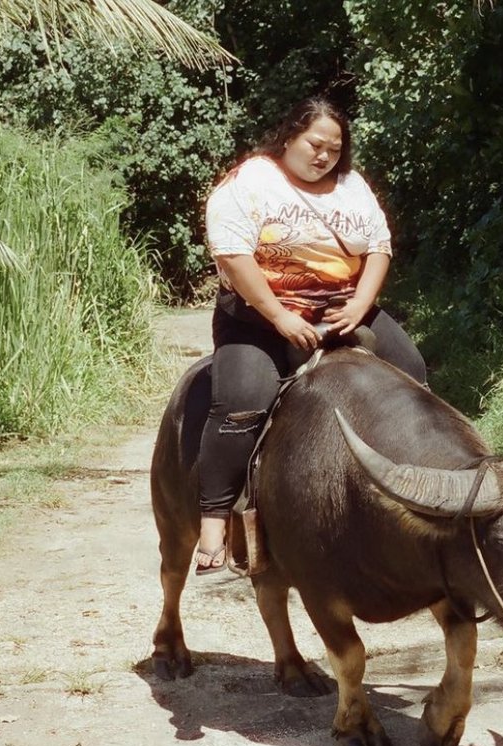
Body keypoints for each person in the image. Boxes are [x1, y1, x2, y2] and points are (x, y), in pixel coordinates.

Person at [194, 96, 427, 574]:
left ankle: (418, 500)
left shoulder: (352, 186)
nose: (323, 156)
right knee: (242, 404)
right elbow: (235, 256)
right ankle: (214, 521)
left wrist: (361, 306)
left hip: (343, 308)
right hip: (258, 317)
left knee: (414, 378)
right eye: (314, 144)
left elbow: (379, 248)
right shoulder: (250, 182)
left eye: (334, 149)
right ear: (289, 138)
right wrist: (280, 317)